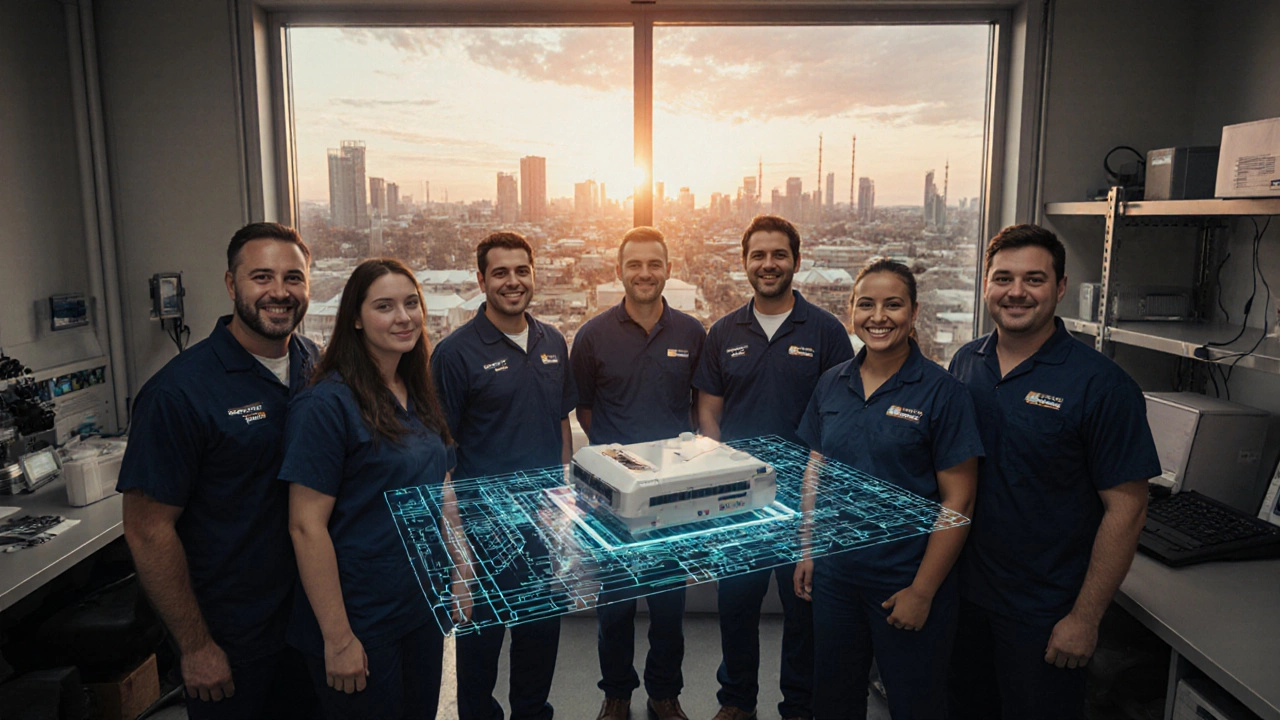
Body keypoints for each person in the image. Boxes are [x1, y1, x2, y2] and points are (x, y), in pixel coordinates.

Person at [947, 224, 1160, 720]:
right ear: (986, 284)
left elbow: (1128, 509)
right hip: (964, 598)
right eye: (1003, 278)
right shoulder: (965, 363)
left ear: (1060, 287)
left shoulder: (1102, 386)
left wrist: (1085, 618)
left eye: (1034, 279)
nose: (1016, 292)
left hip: (1043, 613)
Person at [117, 222, 320, 720]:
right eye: (261, 277)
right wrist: (195, 646)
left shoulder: (315, 365)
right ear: (231, 285)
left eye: (293, 277)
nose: (279, 292)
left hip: (310, 623)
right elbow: (147, 530)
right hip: (232, 639)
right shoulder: (178, 393)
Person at [792, 258, 982, 719]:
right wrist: (807, 547)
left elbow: (959, 500)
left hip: (905, 577)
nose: (878, 317)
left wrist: (923, 591)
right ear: (851, 310)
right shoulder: (832, 383)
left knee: (916, 704)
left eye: (893, 305)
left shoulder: (943, 392)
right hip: (836, 577)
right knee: (833, 702)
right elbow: (816, 468)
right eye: (866, 305)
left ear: (913, 312)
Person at [694, 214, 855, 720]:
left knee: (804, 610)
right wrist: (720, 480)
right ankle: (736, 701)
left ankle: (798, 706)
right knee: (736, 607)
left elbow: (840, 416)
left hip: (805, 502)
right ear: (745, 263)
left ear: (796, 261)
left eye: (779, 254)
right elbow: (708, 413)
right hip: (740, 501)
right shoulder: (723, 332)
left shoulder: (827, 332)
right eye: (758, 255)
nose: (769, 264)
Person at [279, 259, 455, 719]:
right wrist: (338, 639)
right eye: (384, 306)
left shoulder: (416, 389)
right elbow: (305, 526)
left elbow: (442, 485)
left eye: (411, 303)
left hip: (419, 606)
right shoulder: (325, 404)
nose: (404, 317)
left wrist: (461, 568)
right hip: (360, 619)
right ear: (355, 318)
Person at [431, 231, 576, 720]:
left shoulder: (553, 341)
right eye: (500, 273)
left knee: (540, 638)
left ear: (533, 275)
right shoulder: (454, 354)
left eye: (521, 271)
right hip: (483, 532)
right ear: (481, 280)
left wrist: (563, 503)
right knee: (479, 653)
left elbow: (560, 423)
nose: (512, 282)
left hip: (543, 526)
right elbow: (442, 457)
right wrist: (459, 553)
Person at [571, 227, 706, 720]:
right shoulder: (592, 336)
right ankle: (618, 694)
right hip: (612, 499)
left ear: (668, 269)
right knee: (615, 606)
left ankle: (664, 694)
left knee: (670, 608)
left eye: (654, 264)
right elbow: (585, 410)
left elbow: (699, 407)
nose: (644, 273)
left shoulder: (691, 333)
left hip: (671, 497)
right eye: (635, 264)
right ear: (620, 271)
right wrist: (621, 464)